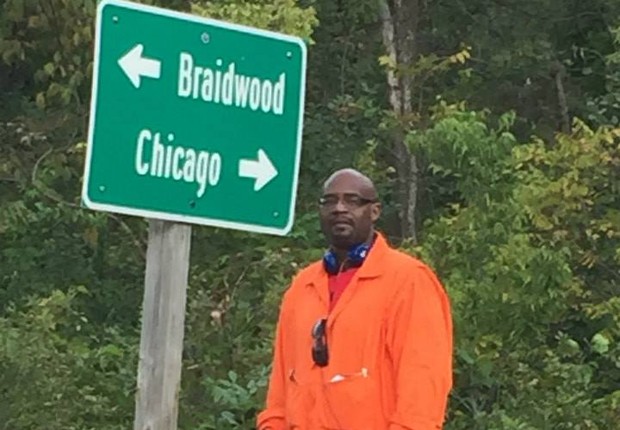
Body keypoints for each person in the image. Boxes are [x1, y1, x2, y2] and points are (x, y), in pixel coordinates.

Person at [257, 168, 453, 430]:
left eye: (352, 200)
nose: (339, 208)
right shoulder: (302, 287)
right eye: (330, 201)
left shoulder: (408, 281)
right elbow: (280, 392)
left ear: (374, 211)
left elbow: (421, 393)